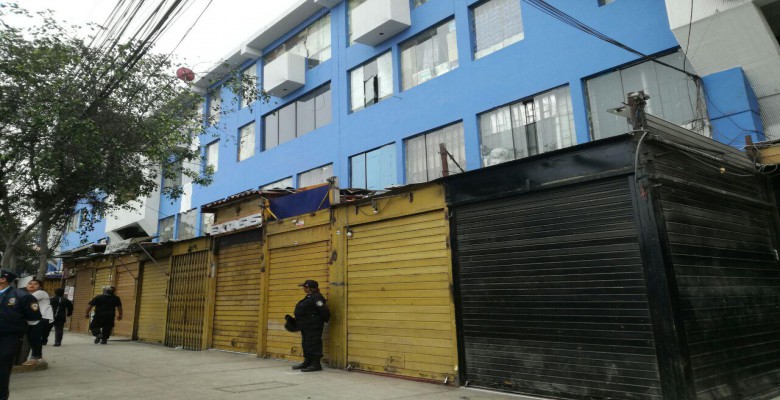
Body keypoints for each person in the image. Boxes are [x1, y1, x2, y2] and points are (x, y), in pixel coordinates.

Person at [0, 269, 41, 400]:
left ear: (3, 279)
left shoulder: (22, 296)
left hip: (7, 338)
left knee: (1, 370)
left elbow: (33, 318)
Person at [291, 279, 330, 372]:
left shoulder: (317, 297)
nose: (303, 288)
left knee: (314, 344)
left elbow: (323, 310)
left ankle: (316, 364)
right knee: (306, 343)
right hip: (306, 325)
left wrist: (320, 320)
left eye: (304, 287)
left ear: (309, 288)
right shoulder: (309, 296)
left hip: (313, 326)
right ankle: (307, 362)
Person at [24, 279, 52, 365]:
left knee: (34, 336)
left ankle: (34, 357)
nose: (32, 285)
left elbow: (26, 301)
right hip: (33, 319)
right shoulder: (28, 294)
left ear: (40, 287)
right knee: (32, 337)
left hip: (43, 317)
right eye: (30, 283)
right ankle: (39, 357)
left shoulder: (40, 293)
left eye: (35, 284)